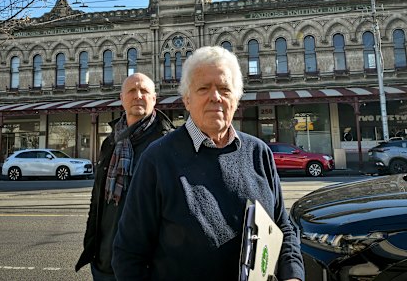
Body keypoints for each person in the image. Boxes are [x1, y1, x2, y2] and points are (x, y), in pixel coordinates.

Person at [112, 46, 304, 281]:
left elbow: (282, 226)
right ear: (187, 99)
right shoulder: (157, 159)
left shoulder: (259, 152)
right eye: (204, 88)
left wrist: (293, 275)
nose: (215, 97)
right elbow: (129, 254)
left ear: (236, 98)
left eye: (224, 88)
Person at [75, 73, 175, 280]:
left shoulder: (168, 145)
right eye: (132, 91)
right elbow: (97, 201)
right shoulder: (110, 142)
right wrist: (92, 247)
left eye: (144, 91)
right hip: (104, 261)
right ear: (122, 98)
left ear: (154, 99)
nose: (138, 95)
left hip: (146, 268)